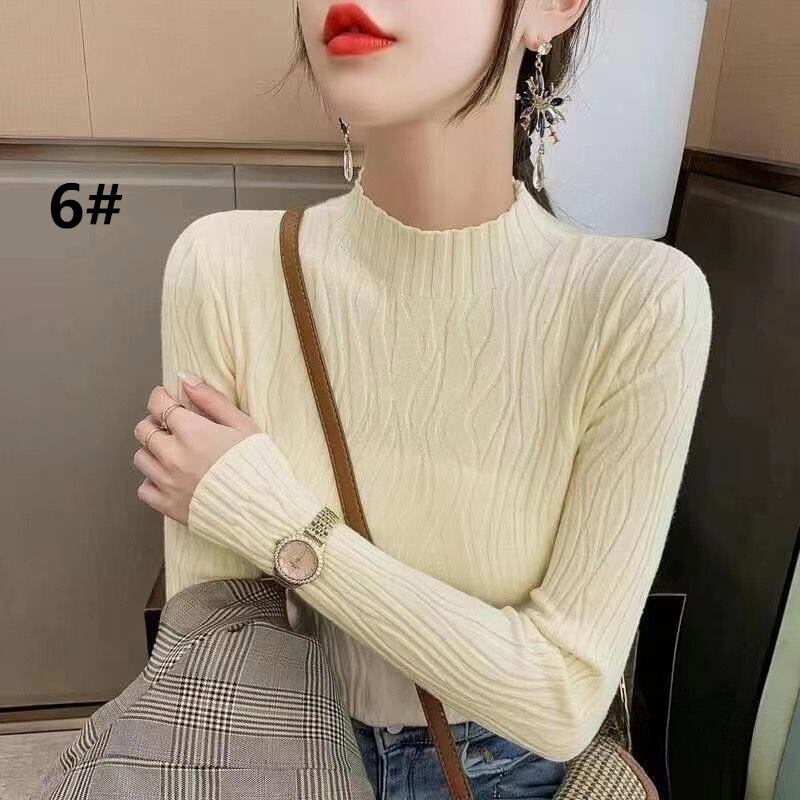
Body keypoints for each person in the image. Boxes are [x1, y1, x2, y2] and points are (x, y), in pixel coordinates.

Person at [133, 1, 713, 798]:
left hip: (506, 776)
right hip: (284, 752)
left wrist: (276, 520)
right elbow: (219, 650)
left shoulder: (637, 302)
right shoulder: (224, 268)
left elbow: (562, 699)